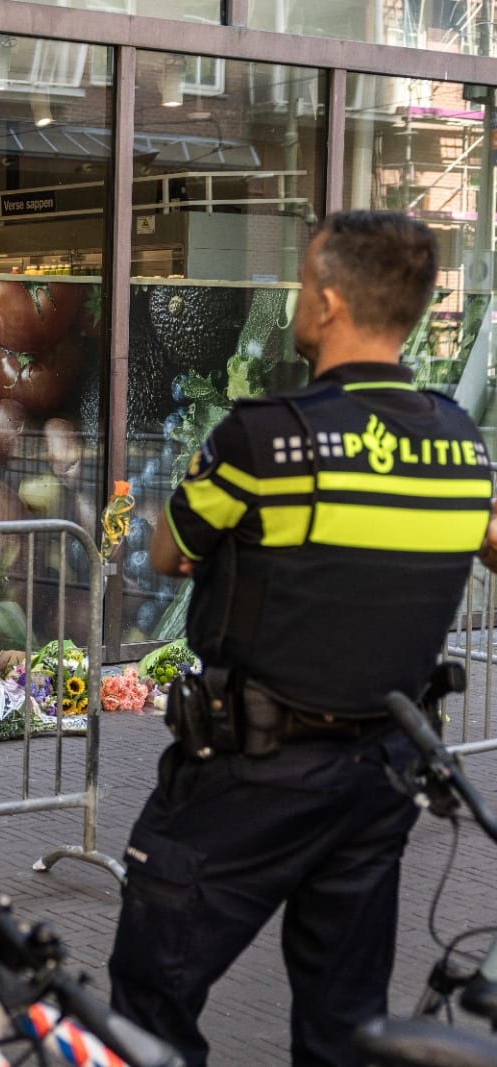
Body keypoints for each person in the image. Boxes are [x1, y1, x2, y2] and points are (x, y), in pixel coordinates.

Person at [109, 211, 493, 1067]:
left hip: (251, 772)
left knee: (150, 994)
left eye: (300, 287)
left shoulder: (264, 440)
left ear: (325, 302)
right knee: (345, 1021)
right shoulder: (461, 444)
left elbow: (169, 555)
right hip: (382, 771)